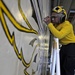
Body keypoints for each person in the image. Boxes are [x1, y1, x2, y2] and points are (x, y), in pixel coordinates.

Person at [44, 6, 75, 75]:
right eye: (52, 17)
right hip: (64, 47)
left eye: (55, 17)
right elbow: (53, 32)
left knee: (68, 68)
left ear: (62, 17)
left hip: (71, 47)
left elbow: (59, 35)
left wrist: (49, 24)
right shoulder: (56, 25)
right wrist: (50, 24)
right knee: (60, 66)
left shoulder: (67, 25)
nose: (53, 19)